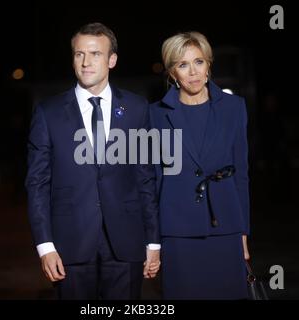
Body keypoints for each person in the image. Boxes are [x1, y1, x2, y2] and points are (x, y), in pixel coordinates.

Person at [25, 22, 160, 300]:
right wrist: (45, 246)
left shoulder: (136, 108)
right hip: (69, 245)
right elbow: (37, 183)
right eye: (78, 54)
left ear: (112, 60)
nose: (86, 62)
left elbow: (145, 176)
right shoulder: (48, 113)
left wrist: (153, 240)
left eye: (95, 54)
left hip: (126, 241)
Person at [150, 31, 251, 299]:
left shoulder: (234, 107)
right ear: (172, 72)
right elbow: (153, 181)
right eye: (183, 65)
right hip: (178, 233)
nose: (193, 72)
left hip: (226, 228)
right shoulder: (155, 115)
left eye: (198, 62)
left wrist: (243, 231)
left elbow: (241, 174)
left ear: (208, 64)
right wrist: (154, 241)